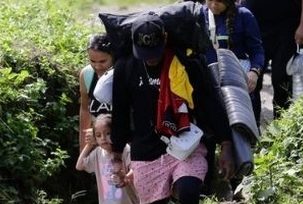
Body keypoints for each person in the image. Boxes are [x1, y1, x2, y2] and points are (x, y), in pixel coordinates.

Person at [110, 12, 234, 204]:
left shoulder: (185, 64)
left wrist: (226, 144)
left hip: (185, 144)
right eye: (145, 54)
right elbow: (120, 112)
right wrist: (117, 155)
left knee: (189, 190)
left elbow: (210, 102)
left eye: (155, 52)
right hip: (146, 151)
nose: (151, 59)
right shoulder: (125, 67)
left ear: (165, 38)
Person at [203, 0, 265, 121]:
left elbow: (257, 50)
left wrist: (254, 73)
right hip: (211, 82)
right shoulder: (201, 15)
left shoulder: (244, 16)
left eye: (219, 1)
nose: (213, 5)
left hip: (239, 79)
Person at [76, 114, 138, 204]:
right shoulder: (98, 153)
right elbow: (79, 165)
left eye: (108, 133)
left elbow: (136, 169)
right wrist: (89, 145)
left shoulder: (124, 149)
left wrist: (126, 177)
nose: (103, 138)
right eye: (98, 135)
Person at [79, 33, 115, 153]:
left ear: (113, 56)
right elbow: (85, 110)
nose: (98, 66)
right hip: (100, 145)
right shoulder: (87, 75)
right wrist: (83, 147)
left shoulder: (123, 74)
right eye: (92, 61)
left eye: (103, 61)